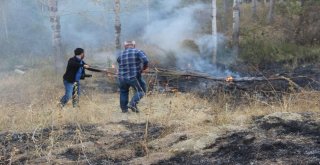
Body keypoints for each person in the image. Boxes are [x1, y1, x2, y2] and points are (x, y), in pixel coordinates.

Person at [117, 41, 149, 113]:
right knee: (141, 91)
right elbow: (145, 60)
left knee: (123, 92)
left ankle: (124, 110)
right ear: (134, 45)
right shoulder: (138, 51)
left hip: (121, 78)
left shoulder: (121, 54)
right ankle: (132, 104)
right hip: (133, 76)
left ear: (125, 46)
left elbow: (118, 61)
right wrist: (143, 68)